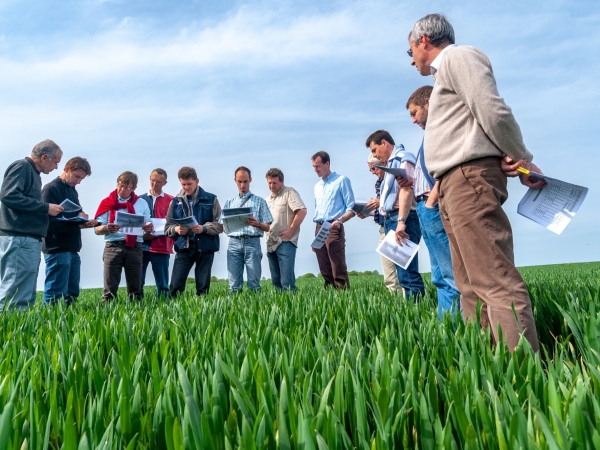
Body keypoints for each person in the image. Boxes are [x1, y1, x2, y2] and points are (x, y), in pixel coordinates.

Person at [407, 13, 545, 351]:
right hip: (454, 183)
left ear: (423, 39)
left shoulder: (458, 56)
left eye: (409, 50)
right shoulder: (444, 75)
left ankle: (523, 379)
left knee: (494, 280)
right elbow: (474, 124)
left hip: (468, 180)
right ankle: (487, 369)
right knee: (468, 285)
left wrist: (521, 155)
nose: (410, 59)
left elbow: (492, 110)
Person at [405, 85, 461, 319]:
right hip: (426, 207)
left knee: (449, 274)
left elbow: (447, 168)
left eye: (414, 113)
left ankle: (457, 329)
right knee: (439, 275)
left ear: (428, 102)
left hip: (433, 207)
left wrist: (430, 203)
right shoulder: (429, 136)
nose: (413, 120)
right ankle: (446, 324)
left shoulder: (441, 130)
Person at [0, 139, 64, 310]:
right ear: (44, 157)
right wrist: (45, 207)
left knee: (24, 292)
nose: (56, 167)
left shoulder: (33, 173)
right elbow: (8, 196)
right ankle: (6, 330)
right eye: (56, 162)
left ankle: (18, 331)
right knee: (14, 290)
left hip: (27, 238)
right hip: (19, 236)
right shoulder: (22, 167)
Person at [366, 131, 425, 300]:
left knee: (408, 272)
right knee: (401, 272)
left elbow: (407, 189)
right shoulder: (391, 163)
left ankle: (418, 312)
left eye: (374, 149)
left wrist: (401, 222)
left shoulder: (402, 159)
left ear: (384, 143)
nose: (374, 155)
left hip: (403, 219)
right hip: (392, 219)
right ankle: (411, 310)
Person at [42, 157, 97, 305]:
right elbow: (48, 223)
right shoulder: (50, 189)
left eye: (81, 179)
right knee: (55, 294)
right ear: (66, 168)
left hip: (72, 248)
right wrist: (74, 222)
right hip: (57, 248)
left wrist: (83, 218)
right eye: (77, 176)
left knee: (72, 293)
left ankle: (68, 324)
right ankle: (50, 325)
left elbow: (76, 212)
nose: (78, 181)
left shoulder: (73, 191)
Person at [94, 171, 152, 302]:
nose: (122, 189)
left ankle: (136, 316)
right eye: (120, 185)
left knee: (135, 289)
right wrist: (106, 227)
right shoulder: (107, 202)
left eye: (127, 187)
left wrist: (148, 226)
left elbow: (149, 222)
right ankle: (107, 316)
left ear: (134, 188)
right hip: (113, 246)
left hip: (135, 247)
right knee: (109, 289)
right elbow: (96, 229)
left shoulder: (142, 203)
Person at [165, 166, 223, 296]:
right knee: (175, 287)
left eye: (189, 184)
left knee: (203, 289)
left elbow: (220, 225)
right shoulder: (175, 202)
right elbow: (167, 228)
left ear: (197, 181)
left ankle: (203, 314)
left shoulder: (211, 199)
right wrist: (177, 229)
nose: (186, 187)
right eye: (183, 184)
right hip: (184, 248)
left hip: (205, 247)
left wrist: (204, 228)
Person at [220, 167, 273, 293]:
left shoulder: (260, 201)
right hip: (234, 242)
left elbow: (268, 226)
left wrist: (258, 224)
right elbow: (222, 226)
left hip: (252, 242)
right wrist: (227, 227)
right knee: (233, 285)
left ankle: (254, 310)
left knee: (254, 283)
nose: (242, 184)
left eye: (245, 181)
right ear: (235, 181)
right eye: (239, 181)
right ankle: (235, 311)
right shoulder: (229, 202)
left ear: (250, 180)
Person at [355, 154, 401, 294]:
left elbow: (402, 202)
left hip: (395, 226)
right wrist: (368, 213)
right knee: (389, 275)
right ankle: (398, 303)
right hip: (384, 228)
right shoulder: (379, 183)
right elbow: (383, 210)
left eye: (374, 169)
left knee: (402, 272)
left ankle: (410, 304)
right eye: (371, 170)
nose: (373, 172)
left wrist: (380, 202)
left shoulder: (394, 179)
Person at [311, 151, 355, 289]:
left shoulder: (341, 180)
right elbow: (318, 210)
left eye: (318, 166)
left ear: (327, 163)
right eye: (313, 166)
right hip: (319, 227)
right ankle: (330, 300)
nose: (315, 169)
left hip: (334, 226)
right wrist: (316, 237)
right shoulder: (316, 187)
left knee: (337, 266)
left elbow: (352, 208)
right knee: (324, 267)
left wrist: (340, 221)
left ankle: (344, 299)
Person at [264, 168, 307, 291]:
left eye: (274, 183)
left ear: (282, 182)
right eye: (269, 183)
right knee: (276, 281)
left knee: (286, 282)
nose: (272, 186)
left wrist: (290, 231)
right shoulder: (267, 200)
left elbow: (302, 211)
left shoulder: (289, 192)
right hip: (270, 242)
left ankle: (291, 307)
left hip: (285, 242)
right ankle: (280, 308)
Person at [139, 169, 174, 297]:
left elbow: (174, 223)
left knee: (163, 284)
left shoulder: (172, 200)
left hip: (162, 246)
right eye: (152, 180)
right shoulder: (139, 200)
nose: (154, 184)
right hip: (141, 245)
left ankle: (164, 308)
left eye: (158, 181)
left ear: (165, 183)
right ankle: (136, 307)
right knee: (138, 281)